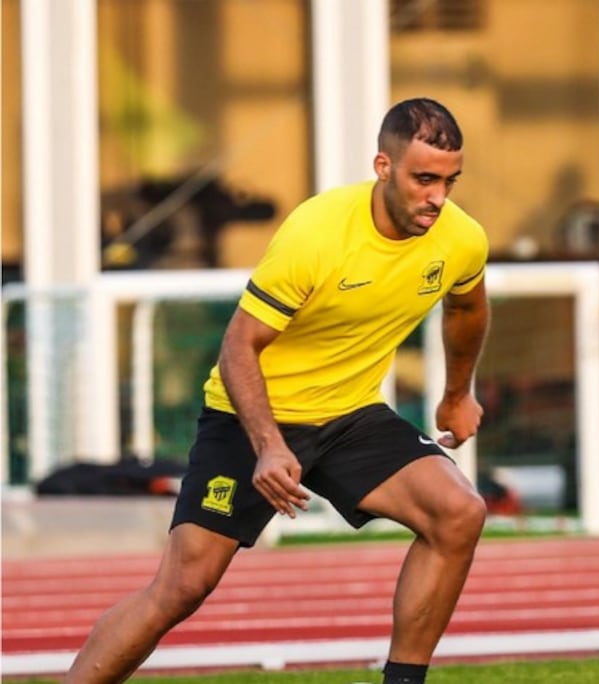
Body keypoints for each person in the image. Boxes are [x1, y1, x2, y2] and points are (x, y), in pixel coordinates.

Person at [66, 98, 491, 684]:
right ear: (384, 166)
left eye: (449, 181)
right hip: (250, 415)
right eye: (424, 179)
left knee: (459, 513)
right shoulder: (316, 233)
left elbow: (467, 307)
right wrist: (267, 444)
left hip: (350, 415)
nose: (438, 198)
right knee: (183, 587)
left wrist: (457, 394)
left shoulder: (462, 239)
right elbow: (238, 346)